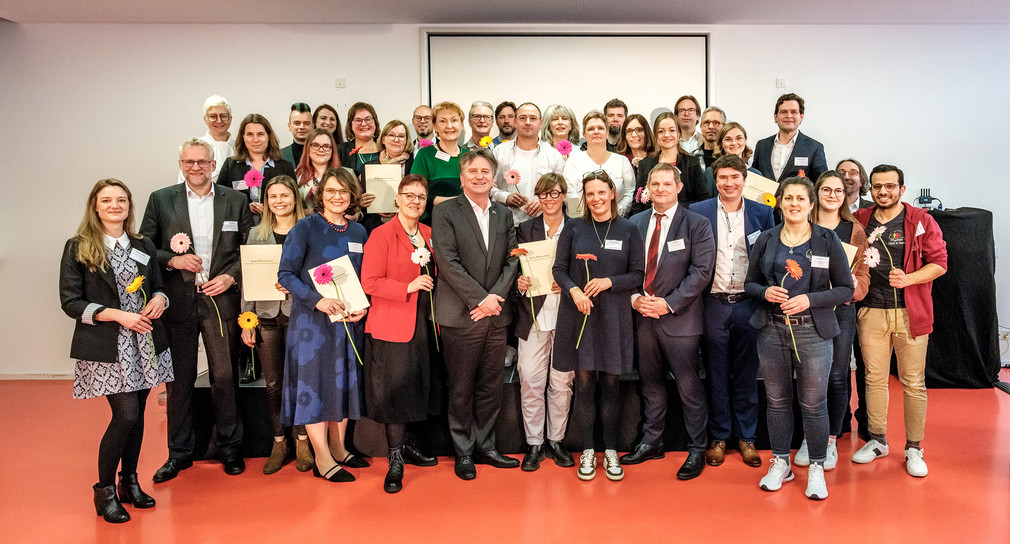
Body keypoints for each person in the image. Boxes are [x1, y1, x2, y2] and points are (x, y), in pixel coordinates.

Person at [60, 178, 174, 523]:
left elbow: (158, 287)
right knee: (125, 415)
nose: (114, 206)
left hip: (145, 342)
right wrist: (117, 315)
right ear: (95, 206)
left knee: (138, 415)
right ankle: (104, 491)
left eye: (121, 200)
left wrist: (160, 299)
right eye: (107, 200)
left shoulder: (142, 244)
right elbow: (71, 302)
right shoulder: (79, 247)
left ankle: (130, 483)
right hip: (109, 344)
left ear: (129, 205)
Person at [141, 139, 253, 482]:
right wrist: (172, 261)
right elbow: (145, 247)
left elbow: (248, 249)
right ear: (180, 164)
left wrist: (231, 277)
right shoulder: (161, 199)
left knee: (224, 377)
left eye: (202, 161)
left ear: (213, 164)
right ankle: (179, 453)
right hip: (178, 301)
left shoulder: (235, 200)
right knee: (179, 380)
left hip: (221, 300)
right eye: (189, 162)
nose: (196, 167)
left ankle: (230, 447)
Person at [745, 177, 854, 500]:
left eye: (800, 199)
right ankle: (781, 462)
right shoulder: (766, 239)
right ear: (779, 202)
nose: (794, 204)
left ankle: (817, 466)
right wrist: (765, 292)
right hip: (771, 330)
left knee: (813, 404)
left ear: (811, 204)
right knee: (777, 401)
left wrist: (810, 299)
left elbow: (845, 289)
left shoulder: (827, 239)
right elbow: (750, 284)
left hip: (813, 332)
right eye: (788, 198)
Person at [851, 164, 947, 478]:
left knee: (913, 382)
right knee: (874, 379)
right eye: (877, 186)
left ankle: (914, 447)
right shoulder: (860, 219)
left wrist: (909, 279)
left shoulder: (921, 220)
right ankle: (877, 440)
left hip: (910, 313)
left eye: (890, 186)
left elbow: (940, 263)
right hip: (871, 312)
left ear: (901, 190)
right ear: (870, 189)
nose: (883, 192)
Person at [431, 148, 520, 480]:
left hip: (495, 314)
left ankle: (486, 446)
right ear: (462, 177)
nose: (480, 176)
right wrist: (481, 300)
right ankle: (464, 451)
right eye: (473, 171)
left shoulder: (503, 214)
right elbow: (447, 262)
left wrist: (494, 298)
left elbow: (513, 258)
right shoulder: (445, 212)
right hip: (461, 314)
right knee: (461, 387)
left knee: (490, 386)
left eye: (485, 171)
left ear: (493, 177)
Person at [623, 163, 715, 481]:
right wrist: (635, 299)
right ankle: (652, 442)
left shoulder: (697, 224)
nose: (661, 189)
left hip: (680, 319)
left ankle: (697, 448)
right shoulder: (634, 223)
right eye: (655, 184)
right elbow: (624, 269)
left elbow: (701, 271)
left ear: (679, 187)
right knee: (650, 383)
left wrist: (668, 304)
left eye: (667, 183)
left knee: (689, 386)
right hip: (643, 316)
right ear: (647, 189)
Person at [278, 167, 370, 483]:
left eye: (344, 191)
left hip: (348, 322)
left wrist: (363, 307)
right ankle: (322, 457)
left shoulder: (359, 232)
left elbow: (365, 277)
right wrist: (318, 300)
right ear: (320, 194)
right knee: (315, 387)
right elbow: (285, 275)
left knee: (343, 384)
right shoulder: (305, 228)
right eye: (331, 190)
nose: (337, 196)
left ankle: (339, 448)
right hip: (312, 324)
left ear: (352, 195)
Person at [552, 170, 645, 482]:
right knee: (584, 385)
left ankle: (611, 450)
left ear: (613, 194)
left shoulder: (629, 229)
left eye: (601, 192)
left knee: (611, 386)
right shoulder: (573, 227)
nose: (596, 199)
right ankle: (589, 450)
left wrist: (609, 282)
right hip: (580, 315)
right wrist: (574, 291)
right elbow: (559, 269)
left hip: (614, 317)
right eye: (590, 194)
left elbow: (637, 275)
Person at [690, 154, 775, 469]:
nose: (729, 183)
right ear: (715, 180)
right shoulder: (698, 212)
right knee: (715, 373)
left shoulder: (763, 212)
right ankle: (719, 437)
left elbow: (770, 258)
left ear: (744, 180)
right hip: (713, 303)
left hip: (748, 304)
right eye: (723, 177)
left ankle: (747, 437)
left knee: (747, 372)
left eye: (735, 177)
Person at [361, 174, 440, 493]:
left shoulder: (430, 233)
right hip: (391, 324)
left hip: (424, 322)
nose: (415, 201)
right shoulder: (381, 235)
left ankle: (407, 445)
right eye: (409, 195)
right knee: (395, 394)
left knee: (417, 388)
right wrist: (408, 286)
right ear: (397, 198)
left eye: (420, 196)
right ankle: (394, 459)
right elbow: (370, 282)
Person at [790, 171, 869, 471]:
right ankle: (810, 438)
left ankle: (831, 440)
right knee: (808, 378)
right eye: (826, 189)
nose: (832, 195)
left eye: (838, 190)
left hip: (840, 311)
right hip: (805, 310)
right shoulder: (801, 224)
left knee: (836, 376)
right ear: (816, 193)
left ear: (844, 195)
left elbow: (863, 276)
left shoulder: (854, 230)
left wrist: (851, 288)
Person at [239, 175, 311, 475]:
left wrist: (295, 283)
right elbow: (247, 280)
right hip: (266, 316)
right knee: (273, 385)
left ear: (295, 197)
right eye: (273, 196)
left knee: (302, 381)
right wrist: (247, 320)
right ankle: (279, 442)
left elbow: (319, 272)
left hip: (301, 314)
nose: (279, 201)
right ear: (266, 201)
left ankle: (303, 440)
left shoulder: (308, 229)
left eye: (284, 195)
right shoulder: (256, 234)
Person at [514, 172, 575, 471]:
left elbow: (588, 267)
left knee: (561, 382)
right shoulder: (526, 229)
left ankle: (556, 440)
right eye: (543, 194)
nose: (549, 199)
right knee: (529, 378)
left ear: (563, 195)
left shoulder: (577, 228)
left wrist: (570, 283)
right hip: (533, 316)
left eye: (554, 193)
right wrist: (520, 282)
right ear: (537, 197)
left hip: (567, 316)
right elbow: (513, 267)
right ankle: (534, 442)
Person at [491, 102, 565, 224]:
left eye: (533, 118)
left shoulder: (553, 155)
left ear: (541, 123)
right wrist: (505, 197)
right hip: (507, 223)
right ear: (515, 121)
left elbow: (562, 190)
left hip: (542, 223)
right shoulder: (499, 152)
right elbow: (489, 187)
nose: (528, 122)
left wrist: (544, 201)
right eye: (522, 118)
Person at [217, 113, 297, 223]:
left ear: (268, 136)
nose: (255, 140)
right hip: (240, 227)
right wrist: (245, 207)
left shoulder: (284, 167)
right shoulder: (230, 165)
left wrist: (270, 208)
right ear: (243, 137)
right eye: (249, 134)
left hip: (275, 225)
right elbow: (220, 199)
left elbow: (294, 201)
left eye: (260, 134)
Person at [632, 112, 707, 215]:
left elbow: (702, 200)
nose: (667, 135)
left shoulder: (692, 163)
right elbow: (637, 203)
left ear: (679, 133)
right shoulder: (645, 164)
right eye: (661, 131)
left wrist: (670, 208)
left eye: (672, 130)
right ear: (655, 136)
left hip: (683, 218)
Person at [563, 111, 635, 217]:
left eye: (600, 128)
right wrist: (584, 219)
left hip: (616, 220)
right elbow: (570, 194)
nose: (596, 132)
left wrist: (611, 215)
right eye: (591, 129)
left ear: (607, 133)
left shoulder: (622, 162)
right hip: (581, 221)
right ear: (584, 135)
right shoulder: (574, 161)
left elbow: (629, 193)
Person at [752, 93, 828, 182]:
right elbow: (754, 178)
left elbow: (821, 183)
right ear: (775, 117)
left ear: (801, 117)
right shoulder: (762, 146)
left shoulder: (814, 148)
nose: (788, 116)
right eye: (783, 112)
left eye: (794, 112)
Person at [411, 101, 465, 223]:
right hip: (433, 222)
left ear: (461, 124)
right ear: (435, 126)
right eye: (443, 121)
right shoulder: (424, 155)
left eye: (454, 120)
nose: (449, 126)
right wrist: (455, 201)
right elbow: (415, 192)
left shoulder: (470, 156)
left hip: (466, 222)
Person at [360, 120, 415, 231]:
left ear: (406, 141)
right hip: (374, 225)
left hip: (406, 224)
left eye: (401, 136)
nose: (396, 139)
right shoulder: (368, 167)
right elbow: (361, 202)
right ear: (383, 139)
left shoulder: (414, 165)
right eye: (391, 135)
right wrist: (361, 202)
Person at [176, 95, 235, 184]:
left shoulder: (240, 147)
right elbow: (183, 183)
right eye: (213, 116)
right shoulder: (194, 148)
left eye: (224, 116)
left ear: (230, 118)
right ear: (205, 119)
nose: (219, 121)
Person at [702, 121, 761, 191]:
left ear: (745, 140)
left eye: (738, 138)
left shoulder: (756, 174)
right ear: (721, 143)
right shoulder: (711, 172)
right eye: (728, 139)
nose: (733, 143)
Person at [294, 128, 342, 211]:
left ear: (332, 150)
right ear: (307, 149)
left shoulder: (347, 174)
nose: (321, 149)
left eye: (326, 146)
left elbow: (355, 210)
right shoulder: (295, 176)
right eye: (315, 145)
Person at [336, 102, 380, 178]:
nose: (363, 124)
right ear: (350, 125)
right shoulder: (339, 151)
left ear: (375, 122)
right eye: (358, 120)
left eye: (368, 119)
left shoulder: (386, 149)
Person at [281, 102, 313, 167]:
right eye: (297, 123)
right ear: (289, 126)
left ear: (312, 126)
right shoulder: (280, 155)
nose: (302, 127)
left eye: (306, 123)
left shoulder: (321, 153)